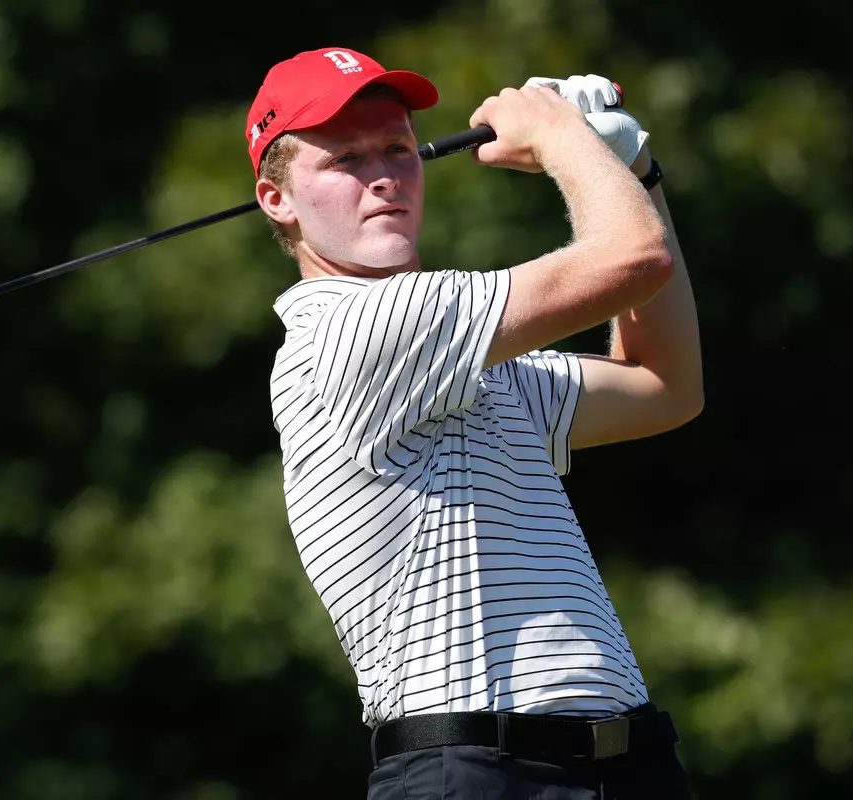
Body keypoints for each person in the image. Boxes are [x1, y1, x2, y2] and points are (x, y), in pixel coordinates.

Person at [250, 46, 702, 799]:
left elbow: (664, 385)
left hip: (626, 764)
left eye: (397, 147)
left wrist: (635, 173)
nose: (383, 175)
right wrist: (567, 139)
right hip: (480, 773)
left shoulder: (456, 364)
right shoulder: (348, 335)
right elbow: (633, 259)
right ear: (277, 200)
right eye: (345, 160)